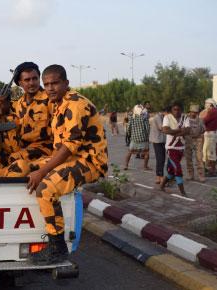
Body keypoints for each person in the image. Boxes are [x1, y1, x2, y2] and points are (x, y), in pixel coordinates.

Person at [26, 65, 107, 265]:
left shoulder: (75, 105)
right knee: (26, 166)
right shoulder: (59, 103)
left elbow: (68, 148)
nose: (50, 88)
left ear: (66, 83)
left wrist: (43, 172)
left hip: (89, 162)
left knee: (45, 188)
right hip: (72, 158)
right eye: (47, 84)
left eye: (55, 83)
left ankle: (57, 247)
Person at [8, 62, 53, 165]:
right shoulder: (18, 103)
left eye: (35, 78)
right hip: (23, 147)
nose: (32, 83)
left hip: (45, 147)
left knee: (13, 159)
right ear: (20, 83)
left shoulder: (50, 99)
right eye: (27, 80)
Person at [160, 101, 190, 196]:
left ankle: (161, 186)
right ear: (172, 110)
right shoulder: (167, 117)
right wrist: (179, 130)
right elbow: (165, 130)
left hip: (181, 147)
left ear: (182, 110)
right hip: (171, 147)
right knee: (178, 168)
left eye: (178, 109)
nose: (176, 111)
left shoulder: (185, 117)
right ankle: (182, 192)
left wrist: (172, 131)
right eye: (174, 109)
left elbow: (188, 130)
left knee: (171, 171)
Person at [124, 105, 151, 171]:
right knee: (146, 153)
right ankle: (145, 166)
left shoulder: (131, 118)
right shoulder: (144, 118)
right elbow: (147, 129)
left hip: (134, 139)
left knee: (129, 152)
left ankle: (126, 166)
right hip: (143, 138)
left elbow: (128, 128)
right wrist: (147, 136)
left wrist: (130, 135)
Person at [185, 104, 205, 182]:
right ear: (190, 111)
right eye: (192, 112)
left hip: (198, 140)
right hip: (188, 139)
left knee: (199, 158)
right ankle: (190, 175)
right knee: (188, 158)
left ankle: (201, 175)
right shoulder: (186, 119)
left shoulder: (200, 120)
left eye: (195, 112)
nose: (194, 113)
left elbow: (203, 129)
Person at [149, 107, 167, 184]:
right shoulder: (158, 117)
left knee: (162, 159)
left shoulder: (162, 116)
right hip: (157, 141)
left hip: (162, 140)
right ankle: (160, 176)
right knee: (160, 159)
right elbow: (161, 128)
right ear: (165, 111)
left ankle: (158, 176)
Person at [201, 98, 217, 177]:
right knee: (208, 152)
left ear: (210, 104)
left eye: (206, 103)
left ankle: (212, 171)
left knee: (210, 153)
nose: (205, 105)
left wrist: (201, 117)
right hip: (211, 133)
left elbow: (204, 120)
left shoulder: (212, 111)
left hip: (210, 134)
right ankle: (211, 170)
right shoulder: (214, 111)